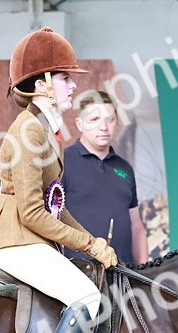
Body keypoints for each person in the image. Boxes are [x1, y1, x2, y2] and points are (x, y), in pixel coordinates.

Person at [0, 27, 119, 333]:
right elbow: (32, 213)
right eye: (64, 78)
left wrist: (93, 244)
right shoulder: (27, 131)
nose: (73, 84)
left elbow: (56, 205)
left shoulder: (45, 128)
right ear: (40, 85)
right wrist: (88, 243)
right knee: (87, 297)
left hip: (31, 236)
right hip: (16, 240)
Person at [62, 90, 148, 267]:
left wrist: (143, 270)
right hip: (76, 275)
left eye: (110, 119)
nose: (104, 127)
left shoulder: (124, 168)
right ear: (79, 124)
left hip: (124, 275)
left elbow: (136, 226)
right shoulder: (63, 162)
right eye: (94, 120)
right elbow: (48, 221)